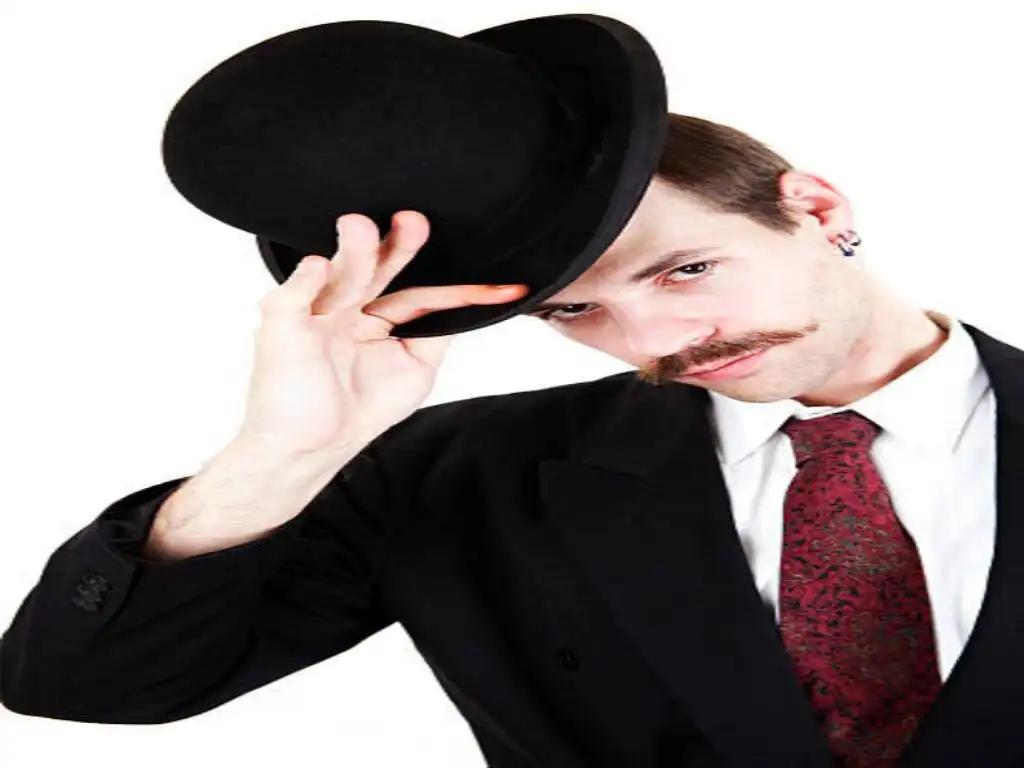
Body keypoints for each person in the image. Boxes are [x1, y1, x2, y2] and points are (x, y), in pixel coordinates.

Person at [2, 109, 1020, 767]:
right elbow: (82, 687)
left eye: (686, 270)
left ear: (817, 209)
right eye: (575, 311)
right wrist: (282, 452)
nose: (655, 341)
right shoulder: (457, 476)